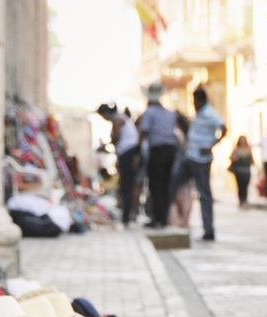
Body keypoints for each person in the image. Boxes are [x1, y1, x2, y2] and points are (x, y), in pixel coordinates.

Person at [171, 87, 226, 241]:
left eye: (194, 101)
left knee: (204, 194)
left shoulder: (209, 114)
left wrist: (211, 145)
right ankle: (168, 219)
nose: (193, 103)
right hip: (190, 156)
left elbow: (223, 128)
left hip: (202, 160)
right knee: (173, 183)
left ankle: (209, 230)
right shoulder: (199, 114)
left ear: (200, 100)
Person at [139, 82, 179, 228]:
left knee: (156, 185)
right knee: (165, 185)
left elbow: (143, 132)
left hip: (158, 152)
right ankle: (163, 218)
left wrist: (138, 153)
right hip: (170, 151)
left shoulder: (149, 112)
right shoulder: (170, 113)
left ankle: (158, 218)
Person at [97, 102, 141, 227]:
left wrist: (107, 144)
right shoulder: (121, 118)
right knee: (127, 186)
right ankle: (127, 215)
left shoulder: (117, 119)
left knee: (126, 186)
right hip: (128, 153)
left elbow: (116, 137)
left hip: (128, 154)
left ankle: (126, 217)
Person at [228, 136, 254, 208]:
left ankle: (245, 200)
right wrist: (236, 158)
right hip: (239, 171)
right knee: (240, 186)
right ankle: (241, 200)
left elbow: (252, 161)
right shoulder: (236, 149)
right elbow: (231, 158)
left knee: (245, 186)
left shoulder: (248, 149)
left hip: (246, 171)